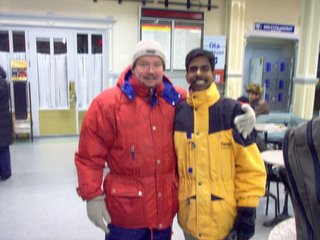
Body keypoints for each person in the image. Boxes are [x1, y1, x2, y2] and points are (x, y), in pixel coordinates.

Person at [74, 40, 256, 240]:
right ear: (133, 67)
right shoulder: (108, 104)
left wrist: (242, 110)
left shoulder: (176, 99)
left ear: (163, 68)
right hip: (125, 215)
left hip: (163, 215)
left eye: (157, 64)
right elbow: (89, 156)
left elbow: (206, 102)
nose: (150, 70)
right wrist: (92, 195)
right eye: (144, 64)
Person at [174, 48, 266, 240]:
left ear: (213, 74)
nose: (198, 73)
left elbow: (250, 168)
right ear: (187, 75)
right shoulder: (179, 113)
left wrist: (247, 212)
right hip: (190, 221)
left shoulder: (232, 112)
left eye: (204, 68)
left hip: (224, 223)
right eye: (193, 69)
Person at [0, 66, 13, 181]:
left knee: (3, 148)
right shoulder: (5, 83)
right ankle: (5, 170)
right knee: (4, 148)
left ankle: (5, 172)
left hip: (2, 120)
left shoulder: (1, 84)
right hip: (4, 119)